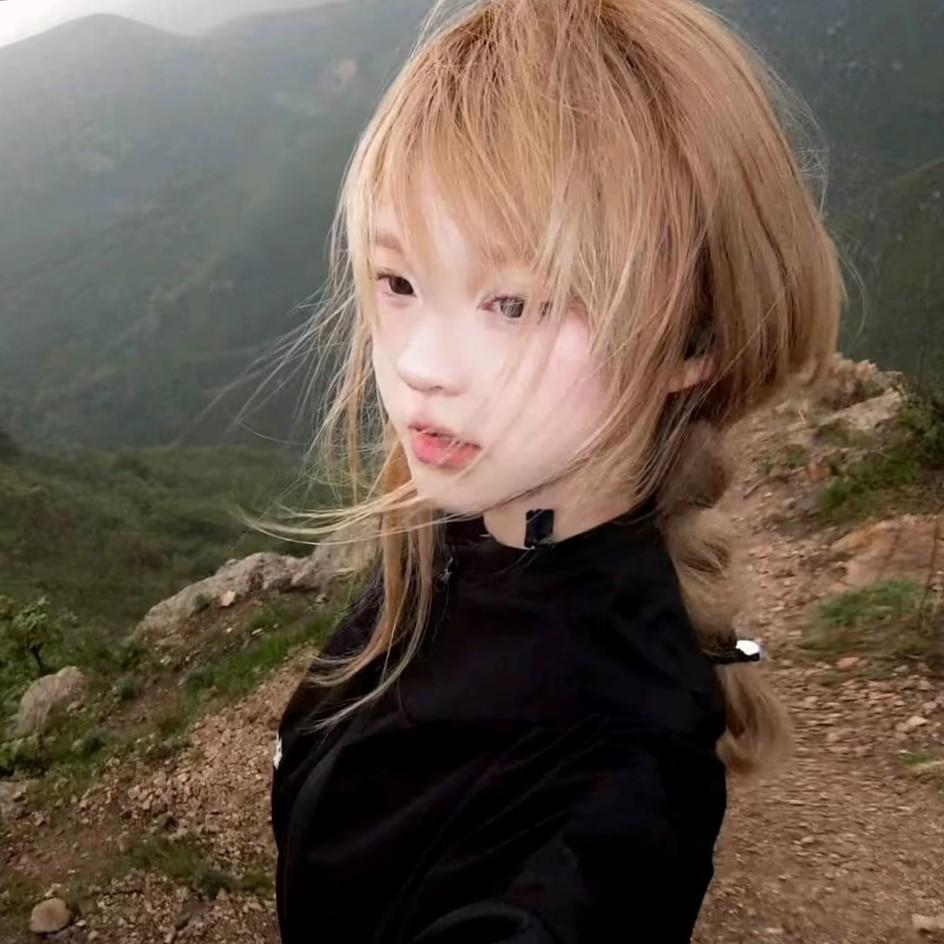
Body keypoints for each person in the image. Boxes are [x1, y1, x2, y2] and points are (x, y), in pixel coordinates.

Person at [264, 0, 845, 940]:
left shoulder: (620, 784)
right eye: (399, 282)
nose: (419, 366)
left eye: (514, 303)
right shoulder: (442, 532)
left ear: (692, 340)